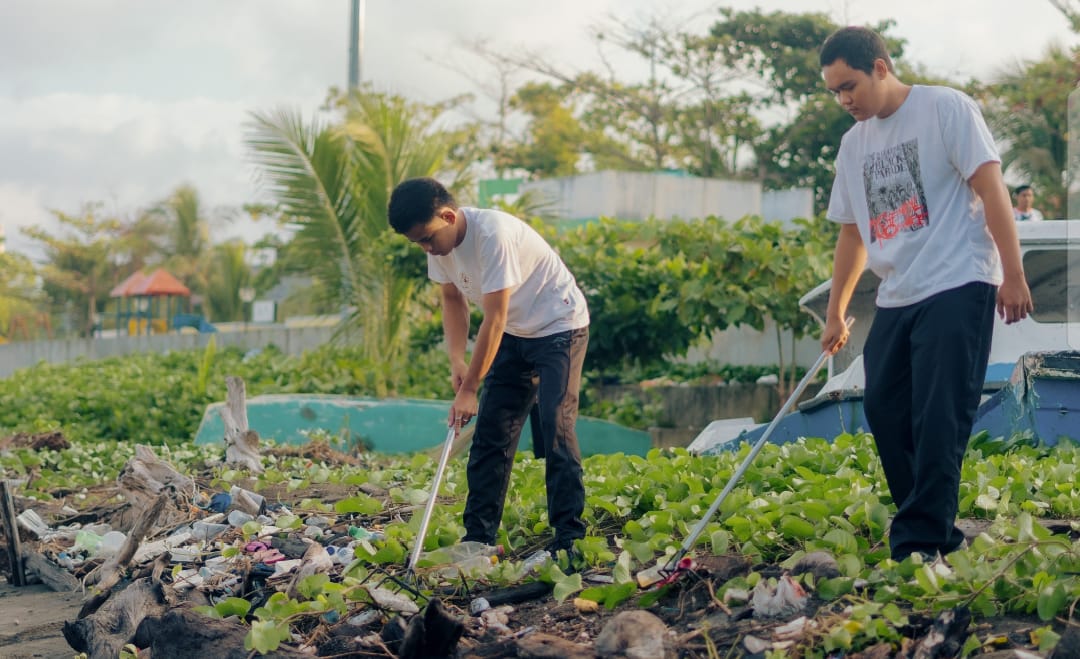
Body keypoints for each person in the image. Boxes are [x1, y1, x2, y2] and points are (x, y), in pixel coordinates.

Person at [817, 27, 1033, 562]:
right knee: (884, 407)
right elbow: (851, 233)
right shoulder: (853, 145)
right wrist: (836, 312)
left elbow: (991, 189)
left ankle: (917, 541)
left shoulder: (945, 109)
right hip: (898, 292)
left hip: (959, 280)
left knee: (940, 413)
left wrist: (1014, 273)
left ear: (881, 68)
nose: (844, 100)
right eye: (834, 92)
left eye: (850, 86)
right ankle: (937, 529)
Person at [388, 177, 590, 558]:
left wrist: (468, 390)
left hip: (559, 326)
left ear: (448, 216)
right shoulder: (437, 242)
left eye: (428, 239)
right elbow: (453, 299)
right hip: (515, 330)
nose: (427, 248)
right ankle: (478, 538)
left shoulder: (492, 235)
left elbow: (493, 318)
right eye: (418, 243)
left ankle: (569, 538)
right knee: (492, 432)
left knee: (556, 425)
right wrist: (456, 360)